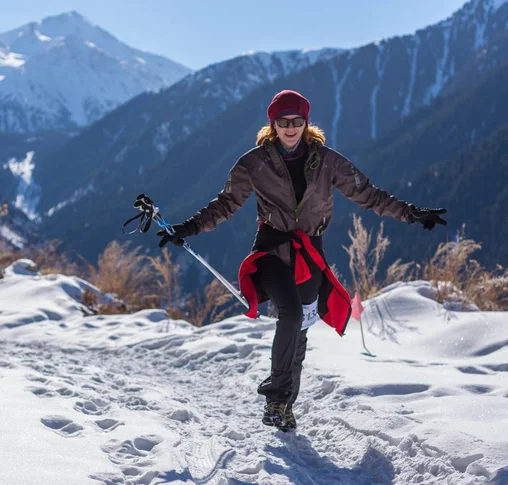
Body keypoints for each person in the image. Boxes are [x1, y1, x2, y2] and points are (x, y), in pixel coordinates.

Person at [157, 90, 447, 432]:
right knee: (291, 314)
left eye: (297, 121)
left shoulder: (328, 161)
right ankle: (276, 397)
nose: (290, 128)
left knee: (301, 329)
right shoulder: (253, 162)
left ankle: (284, 408)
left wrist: (412, 214)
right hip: (271, 250)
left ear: (306, 123)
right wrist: (188, 227)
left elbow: (368, 195)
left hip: (310, 253)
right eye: (283, 122)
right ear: (273, 124)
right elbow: (226, 203)